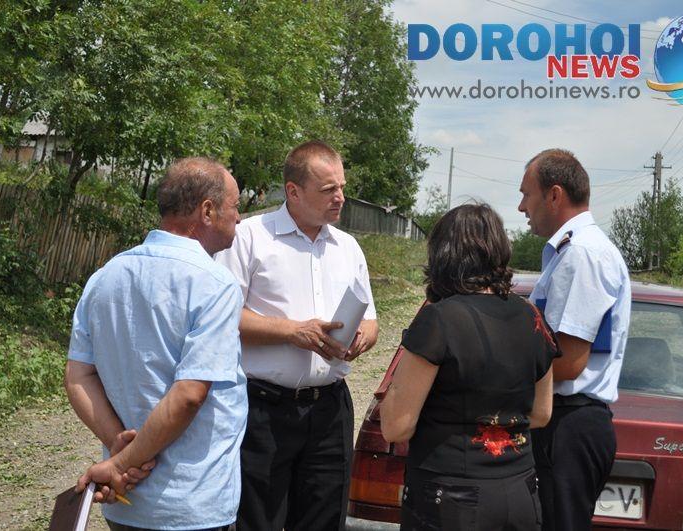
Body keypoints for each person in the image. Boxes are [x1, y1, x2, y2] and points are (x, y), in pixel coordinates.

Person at [64, 157, 247, 531]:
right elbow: (189, 395)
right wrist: (121, 462)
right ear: (207, 211)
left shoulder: (104, 277)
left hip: (126, 502)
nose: (239, 218)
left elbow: (78, 376)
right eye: (235, 205)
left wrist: (119, 446)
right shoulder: (214, 284)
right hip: (191, 501)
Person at [214, 140, 379, 531]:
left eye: (341, 187)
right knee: (259, 520)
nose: (340, 197)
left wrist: (363, 338)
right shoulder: (249, 237)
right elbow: (223, 316)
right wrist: (293, 332)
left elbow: (371, 319)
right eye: (328, 189)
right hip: (263, 410)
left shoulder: (348, 247)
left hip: (330, 410)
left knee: (324, 520)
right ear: (293, 191)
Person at [381, 204, 558, 531]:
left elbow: (396, 427)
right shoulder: (531, 316)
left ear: (443, 255)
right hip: (519, 490)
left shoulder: (439, 319)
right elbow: (542, 413)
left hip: (451, 495)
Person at [518, 148, 631, 531]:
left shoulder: (582, 254)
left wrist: (497, 375)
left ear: (554, 195)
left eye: (526, 194)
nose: (521, 207)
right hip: (567, 421)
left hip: (568, 423)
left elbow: (568, 363)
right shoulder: (574, 251)